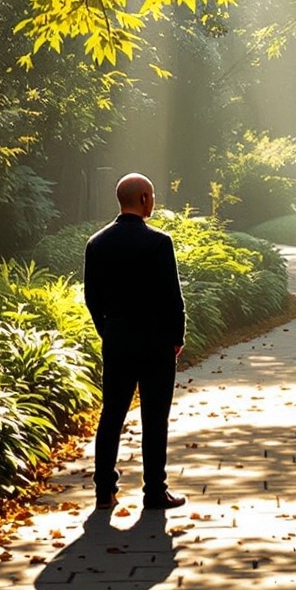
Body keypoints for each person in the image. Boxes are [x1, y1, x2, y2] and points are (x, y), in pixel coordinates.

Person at [83, 171, 186, 514]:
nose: (152, 201)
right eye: (151, 196)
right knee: (154, 418)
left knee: (111, 414)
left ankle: (104, 491)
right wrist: (177, 337)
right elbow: (172, 296)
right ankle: (154, 491)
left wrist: (107, 330)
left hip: (118, 340)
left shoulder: (97, 243)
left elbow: (92, 298)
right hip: (156, 342)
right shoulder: (159, 242)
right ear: (143, 199)